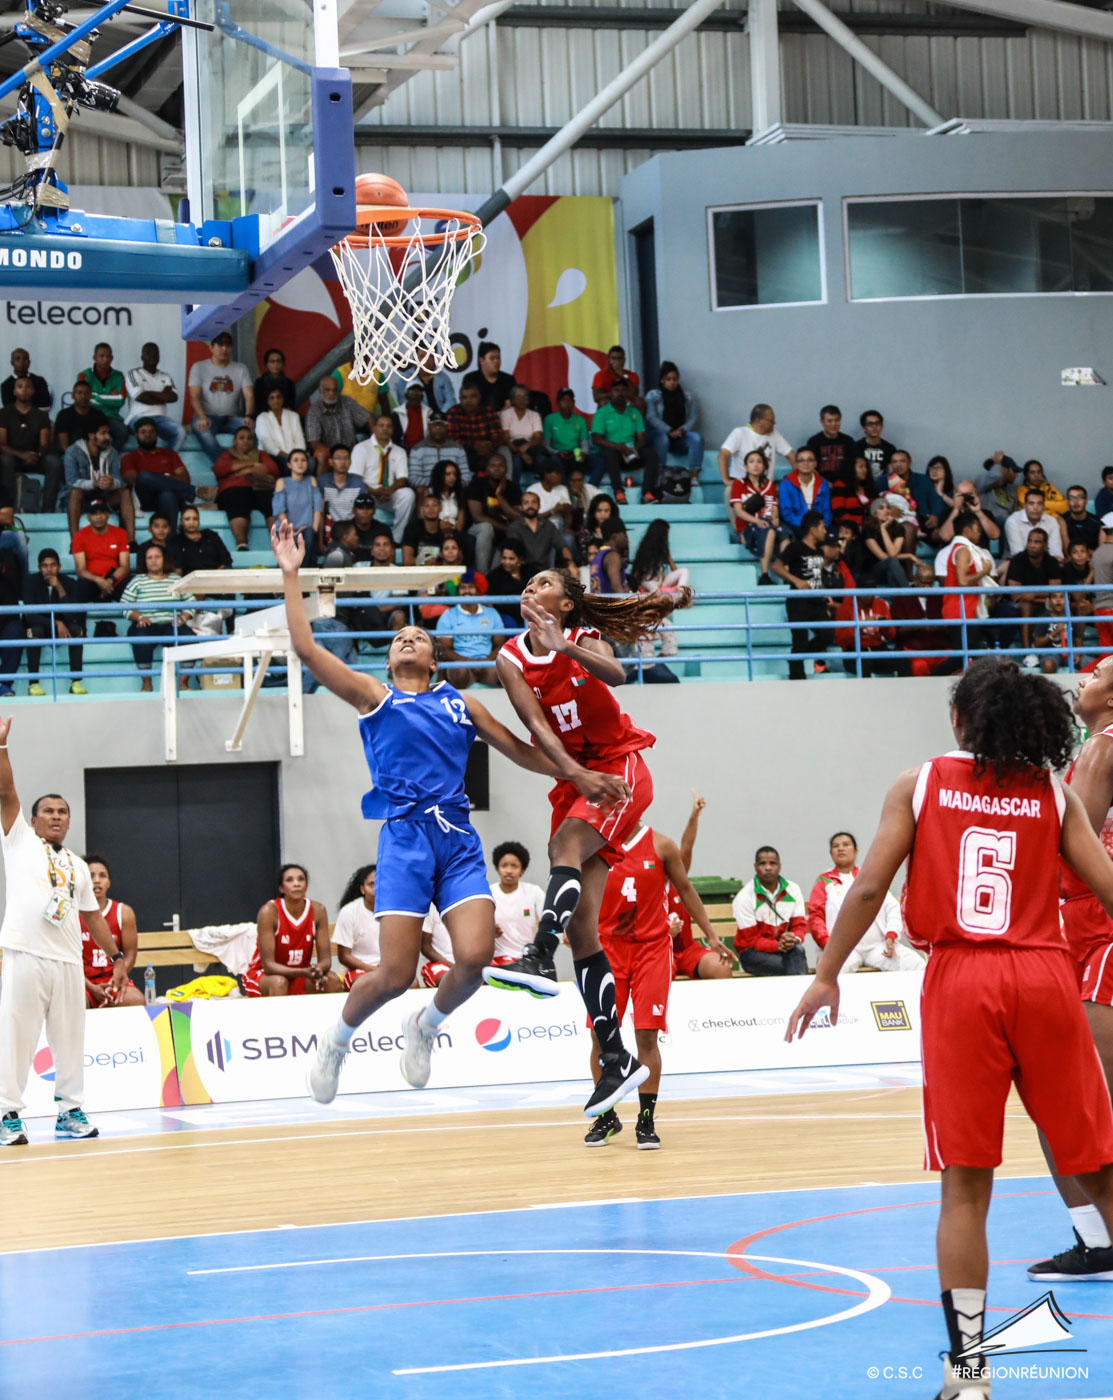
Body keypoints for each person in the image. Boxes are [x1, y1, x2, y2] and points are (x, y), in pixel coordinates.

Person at [786, 657, 1113, 1400]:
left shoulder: (921, 783)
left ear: (961, 719)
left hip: (961, 980)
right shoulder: (1052, 791)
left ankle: (969, 1375)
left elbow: (868, 888)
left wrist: (827, 973)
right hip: (1044, 975)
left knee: (965, 1187)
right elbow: (1107, 887)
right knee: (1100, 1166)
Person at [268, 526, 602, 1106]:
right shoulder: (375, 698)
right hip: (403, 840)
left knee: (473, 959)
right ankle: (336, 1041)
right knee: (395, 975)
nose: (408, 638)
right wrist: (291, 574)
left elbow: (521, 751)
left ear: (434, 656)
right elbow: (307, 649)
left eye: (418, 635)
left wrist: (579, 774)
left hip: (457, 838)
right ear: (388, 658)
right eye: (399, 636)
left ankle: (425, 1026)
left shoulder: (460, 702)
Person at [482, 568, 690, 1114]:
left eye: (543, 583)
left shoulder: (581, 639)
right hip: (577, 778)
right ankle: (616, 1058)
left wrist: (565, 648)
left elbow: (617, 675)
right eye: (528, 584)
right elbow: (537, 728)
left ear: (567, 604)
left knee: (563, 850)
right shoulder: (510, 657)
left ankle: (538, 955)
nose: (531, 588)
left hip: (619, 768)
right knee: (583, 929)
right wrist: (576, 775)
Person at [0, 737, 128, 1146]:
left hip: (69, 962)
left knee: (71, 1041)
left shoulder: (77, 865)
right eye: (48, 811)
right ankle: (6, 1114)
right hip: (25, 954)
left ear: (69, 822)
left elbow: (92, 916)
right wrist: (2, 747)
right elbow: (6, 791)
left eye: (62, 812)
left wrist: (117, 957)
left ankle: (69, 1112)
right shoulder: (18, 841)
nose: (56, 817)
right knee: (17, 1038)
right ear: (33, 819)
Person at [1031, 656, 1113, 1280]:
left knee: (1074, 1098)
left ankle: (1100, 1240)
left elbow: (1067, 845)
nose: (1085, 679)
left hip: (1097, 928)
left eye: (1100, 673)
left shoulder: (1104, 745)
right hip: (1084, 927)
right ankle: (1096, 1239)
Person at [585, 820, 720, 1150]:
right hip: (608, 949)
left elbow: (685, 889)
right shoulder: (595, 843)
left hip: (652, 950)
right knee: (599, 1035)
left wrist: (712, 934)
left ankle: (646, 1120)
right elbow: (582, 889)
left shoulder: (661, 845)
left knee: (646, 1036)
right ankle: (606, 1116)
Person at [807, 832, 923, 971]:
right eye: (835, 846)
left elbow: (892, 907)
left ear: (855, 851)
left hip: (877, 946)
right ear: (831, 853)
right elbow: (815, 916)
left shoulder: (869, 876)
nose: (840, 848)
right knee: (832, 971)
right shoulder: (824, 881)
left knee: (915, 963)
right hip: (841, 949)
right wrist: (826, 943)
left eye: (846, 844)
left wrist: (891, 934)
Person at [243, 864, 341, 997]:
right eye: (290, 880)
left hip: (300, 974)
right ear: (281, 888)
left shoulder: (318, 910)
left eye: (301, 879)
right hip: (265, 976)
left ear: (306, 885)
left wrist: (318, 970)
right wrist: (304, 972)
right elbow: (268, 966)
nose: (296, 884)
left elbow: (326, 961)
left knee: (332, 980)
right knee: (279, 983)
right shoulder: (269, 911)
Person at [668, 791, 733, 981]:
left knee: (720, 968)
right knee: (658, 975)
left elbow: (686, 847)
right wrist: (665, 933)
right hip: (657, 950)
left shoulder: (676, 882)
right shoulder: (641, 888)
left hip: (687, 951)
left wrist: (694, 815)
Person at [121, 544, 195, 691]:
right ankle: (146, 684)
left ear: (164, 559)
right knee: (141, 640)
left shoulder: (175, 579)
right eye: (149, 558)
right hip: (146, 624)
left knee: (190, 639)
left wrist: (183, 618)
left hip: (172, 624)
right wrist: (139, 617)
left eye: (157, 557)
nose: (153, 560)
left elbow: (191, 601)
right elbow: (124, 605)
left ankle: (183, 682)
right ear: (145, 561)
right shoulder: (138, 580)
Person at [121, 418, 215, 530]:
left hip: (170, 499)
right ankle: (193, 491)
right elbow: (132, 479)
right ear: (136, 435)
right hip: (146, 500)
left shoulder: (169, 454)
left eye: (152, 431)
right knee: (144, 476)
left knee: (167, 494)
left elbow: (185, 478)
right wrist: (165, 477)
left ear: (156, 434)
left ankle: (171, 538)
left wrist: (159, 481)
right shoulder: (129, 457)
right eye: (143, 432)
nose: (148, 435)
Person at [771, 510, 830, 680]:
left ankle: (796, 659)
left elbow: (817, 575)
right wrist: (796, 581)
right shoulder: (795, 547)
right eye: (823, 527)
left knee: (827, 635)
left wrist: (824, 591)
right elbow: (776, 566)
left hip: (817, 601)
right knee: (800, 641)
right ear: (813, 529)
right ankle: (797, 675)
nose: (825, 531)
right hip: (799, 602)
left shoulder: (819, 551)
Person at [79, 856, 143, 1008]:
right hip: (84, 982)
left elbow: (130, 955)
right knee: (77, 1003)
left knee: (137, 1000)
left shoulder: (123, 912)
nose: (96, 880)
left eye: (102, 876)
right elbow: (69, 959)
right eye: (91, 876)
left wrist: (114, 982)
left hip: (114, 980)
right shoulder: (73, 914)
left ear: (109, 882)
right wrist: (90, 987)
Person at [732, 847, 808, 975]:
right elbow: (751, 940)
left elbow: (799, 925)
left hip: (783, 949)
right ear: (755, 867)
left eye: (773, 863)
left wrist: (793, 939)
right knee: (790, 966)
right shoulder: (744, 896)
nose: (768, 868)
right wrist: (777, 946)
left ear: (779, 866)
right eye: (762, 864)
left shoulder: (793, 889)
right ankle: (803, 987)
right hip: (752, 953)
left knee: (798, 951)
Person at [24, 548, 87, 697]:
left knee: (77, 630)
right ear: (39, 568)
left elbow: (73, 616)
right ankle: (33, 684)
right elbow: (30, 616)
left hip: (63, 628)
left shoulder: (68, 582)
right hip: (42, 626)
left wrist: (60, 589)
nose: (49, 569)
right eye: (45, 566)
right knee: (34, 631)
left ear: (59, 567)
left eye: (53, 565)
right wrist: (56, 623)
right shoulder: (30, 582)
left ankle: (76, 682)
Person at [187, 332, 255, 462]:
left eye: (228, 345)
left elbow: (249, 395)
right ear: (211, 348)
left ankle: (249, 466)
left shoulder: (241, 368)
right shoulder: (199, 367)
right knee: (204, 432)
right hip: (207, 417)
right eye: (220, 345)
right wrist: (201, 416)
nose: (224, 348)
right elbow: (194, 396)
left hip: (231, 418)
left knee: (251, 431)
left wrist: (248, 416)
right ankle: (225, 465)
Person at [589, 380, 658, 503]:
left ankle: (647, 493)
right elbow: (596, 438)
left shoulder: (635, 413)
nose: (620, 393)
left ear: (627, 393)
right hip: (612, 455)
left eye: (623, 390)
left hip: (630, 453)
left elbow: (641, 437)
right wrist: (619, 447)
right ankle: (618, 492)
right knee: (610, 452)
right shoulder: (602, 413)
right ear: (610, 393)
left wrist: (634, 449)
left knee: (651, 453)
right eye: (616, 390)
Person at [350, 412, 415, 543]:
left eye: (388, 426)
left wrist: (388, 491)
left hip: (388, 494)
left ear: (392, 429)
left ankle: (396, 540)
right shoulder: (361, 448)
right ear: (374, 428)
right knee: (353, 489)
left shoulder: (399, 451)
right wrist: (374, 491)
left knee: (408, 494)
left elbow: (402, 479)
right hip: (367, 493)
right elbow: (355, 477)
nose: (385, 429)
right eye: (381, 425)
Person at [0, 375, 61, 512]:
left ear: (33, 391)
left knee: (54, 462)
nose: (24, 390)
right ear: (14, 391)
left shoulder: (41, 415)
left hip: (35, 458)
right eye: (20, 386)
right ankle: (8, 508)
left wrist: (36, 454)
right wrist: (22, 455)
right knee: (5, 460)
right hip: (13, 457)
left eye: (28, 387)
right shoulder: (4, 413)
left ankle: (48, 510)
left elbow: (45, 444)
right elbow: (2, 444)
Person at [64, 422, 134, 540]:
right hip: (82, 500)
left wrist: (111, 483)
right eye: (103, 433)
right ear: (91, 435)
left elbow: (119, 481)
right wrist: (94, 483)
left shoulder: (112, 452)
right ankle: (75, 542)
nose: (107, 437)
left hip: (104, 497)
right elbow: (71, 482)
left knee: (125, 493)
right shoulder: (73, 451)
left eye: (108, 433)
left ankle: (131, 541)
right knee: (75, 492)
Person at [213, 426, 279, 549]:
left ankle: (278, 543)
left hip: (260, 489)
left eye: (249, 438)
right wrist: (252, 464)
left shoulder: (261, 454)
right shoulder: (227, 454)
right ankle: (241, 543)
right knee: (237, 498)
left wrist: (243, 470)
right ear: (234, 441)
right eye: (241, 438)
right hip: (235, 490)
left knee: (272, 501)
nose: (245, 441)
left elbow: (272, 469)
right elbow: (220, 470)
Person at [731, 449, 790, 582]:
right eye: (751, 462)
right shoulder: (738, 484)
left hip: (766, 523)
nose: (755, 465)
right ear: (746, 466)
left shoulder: (769, 485)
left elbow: (772, 507)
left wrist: (775, 518)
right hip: (746, 529)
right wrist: (756, 521)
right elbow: (738, 511)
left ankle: (786, 574)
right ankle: (764, 575)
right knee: (769, 530)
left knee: (785, 533)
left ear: (764, 466)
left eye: (759, 462)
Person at [1000, 526, 1061, 653]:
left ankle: (1063, 653)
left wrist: (1032, 594)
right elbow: (1015, 596)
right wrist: (1042, 597)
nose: (1032, 545)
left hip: (1044, 603)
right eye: (1030, 541)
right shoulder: (1017, 560)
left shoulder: (1052, 562)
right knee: (1026, 605)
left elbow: (1055, 593)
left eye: (1037, 542)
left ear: (1045, 545)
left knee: (1060, 604)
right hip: (1017, 604)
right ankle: (1027, 653)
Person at [435, 573, 503, 687]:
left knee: (501, 670)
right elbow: (445, 650)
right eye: (462, 587)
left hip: (486, 661)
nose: (467, 591)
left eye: (471, 587)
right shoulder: (448, 615)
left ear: (478, 589)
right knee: (458, 671)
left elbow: (500, 645)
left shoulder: (491, 613)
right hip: (461, 663)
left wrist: (486, 661)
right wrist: (467, 661)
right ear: (458, 591)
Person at [643, 361, 703, 481]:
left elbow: (693, 417)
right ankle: (660, 475)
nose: (672, 382)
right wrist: (669, 430)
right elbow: (651, 418)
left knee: (696, 439)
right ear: (662, 380)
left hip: (679, 435)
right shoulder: (653, 395)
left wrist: (683, 429)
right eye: (668, 379)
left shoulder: (687, 396)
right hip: (658, 436)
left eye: (675, 379)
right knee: (662, 438)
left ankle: (693, 477)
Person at [488, 841, 544, 965]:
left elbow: (548, 922)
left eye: (514, 866)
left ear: (522, 870)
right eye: (504, 866)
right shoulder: (489, 893)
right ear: (497, 868)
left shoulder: (534, 892)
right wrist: (489, 931)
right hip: (497, 958)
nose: (509, 871)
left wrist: (562, 935)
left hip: (528, 957)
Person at [466, 452, 522, 575]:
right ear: (487, 469)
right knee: (486, 528)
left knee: (516, 532)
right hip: (477, 530)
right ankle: (482, 574)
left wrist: (499, 496)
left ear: (506, 469)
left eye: (500, 465)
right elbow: (477, 517)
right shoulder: (477, 485)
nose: (497, 468)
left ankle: (493, 577)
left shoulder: (513, 487)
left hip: (503, 534)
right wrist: (504, 528)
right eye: (493, 465)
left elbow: (516, 516)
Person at [124, 342, 185, 451]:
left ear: (159, 356)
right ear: (142, 357)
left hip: (161, 418)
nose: (152, 355)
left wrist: (148, 393)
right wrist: (163, 395)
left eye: (155, 353)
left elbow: (173, 398)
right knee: (147, 433)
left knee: (180, 433)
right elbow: (140, 397)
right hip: (139, 417)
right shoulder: (133, 373)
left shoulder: (166, 376)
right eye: (148, 353)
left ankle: (168, 461)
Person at [304, 375, 370, 472]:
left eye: (334, 390)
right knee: (321, 455)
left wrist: (374, 441)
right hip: (329, 453)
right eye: (327, 390)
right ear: (320, 391)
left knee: (367, 449)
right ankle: (324, 481)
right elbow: (314, 442)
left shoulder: (347, 401)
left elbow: (369, 419)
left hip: (351, 450)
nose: (331, 393)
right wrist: (337, 455)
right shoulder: (314, 410)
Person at [71, 498, 130, 604]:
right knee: (79, 588)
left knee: (132, 585)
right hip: (92, 582)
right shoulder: (79, 536)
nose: (98, 517)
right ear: (88, 517)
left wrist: (110, 580)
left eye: (101, 513)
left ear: (107, 515)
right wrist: (99, 580)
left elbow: (125, 567)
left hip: (114, 580)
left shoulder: (120, 533)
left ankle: (136, 616)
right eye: (94, 514)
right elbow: (80, 570)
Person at [332, 865, 381, 990]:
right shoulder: (349, 911)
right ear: (362, 889)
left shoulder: (393, 912)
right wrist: (371, 969)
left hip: (386, 969)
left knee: (411, 983)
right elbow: (344, 956)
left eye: (380, 882)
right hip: (358, 970)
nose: (376, 888)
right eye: (371, 884)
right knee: (368, 984)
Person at [271, 448, 322, 565]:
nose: (300, 463)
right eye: (296, 460)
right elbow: (279, 510)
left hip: (306, 530)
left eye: (303, 460)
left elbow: (317, 507)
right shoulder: (282, 482)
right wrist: (291, 531)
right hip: (285, 530)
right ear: (289, 464)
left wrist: (314, 529)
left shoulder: (311, 480)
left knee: (308, 537)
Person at [446, 384, 506, 477]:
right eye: (464, 397)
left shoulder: (488, 410)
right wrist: (474, 446)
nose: (469, 401)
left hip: (488, 452)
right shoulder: (453, 412)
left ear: (479, 398)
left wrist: (488, 447)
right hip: (465, 453)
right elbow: (453, 439)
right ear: (460, 399)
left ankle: (505, 484)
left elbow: (497, 435)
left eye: (472, 397)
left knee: (504, 451)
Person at [507, 491, 574, 573]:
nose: (530, 506)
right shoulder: (515, 527)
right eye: (526, 503)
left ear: (539, 506)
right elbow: (512, 554)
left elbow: (563, 547)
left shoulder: (548, 525)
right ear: (521, 507)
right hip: (522, 571)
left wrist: (571, 563)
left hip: (544, 571)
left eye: (534, 502)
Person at [77, 343, 129, 449]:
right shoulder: (84, 375)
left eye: (108, 356)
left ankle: (110, 456)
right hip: (90, 416)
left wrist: (95, 396)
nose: (105, 359)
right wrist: (110, 397)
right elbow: (85, 398)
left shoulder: (119, 375)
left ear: (112, 358)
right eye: (101, 356)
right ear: (94, 357)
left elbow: (121, 400)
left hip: (111, 417)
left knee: (123, 431)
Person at [408, 411, 470, 494]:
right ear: (428, 427)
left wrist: (451, 483)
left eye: (441, 425)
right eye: (434, 425)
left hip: (453, 489)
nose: (438, 428)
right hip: (429, 490)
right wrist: (439, 482)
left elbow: (466, 477)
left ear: (447, 427)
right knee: (420, 490)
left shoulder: (458, 448)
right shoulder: (417, 449)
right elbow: (413, 479)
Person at [860, 497, 915, 590]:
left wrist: (883, 529)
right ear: (874, 514)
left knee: (892, 568)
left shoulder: (899, 528)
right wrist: (908, 555)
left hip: (893, 569)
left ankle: (898, 598)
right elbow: (883, 557)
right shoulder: (868, 529)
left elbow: (892, 553)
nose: (886, 510)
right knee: (892, 562)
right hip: (874, 571)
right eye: (881, 508)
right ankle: (908, 593)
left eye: (888, 507)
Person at [777, 446, 831, 533]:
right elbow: (787, 513)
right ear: (796, 464)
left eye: (810, 460)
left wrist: (823, 526)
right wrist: (807, 526)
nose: (806, 463)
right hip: (796, 526)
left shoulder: (823, 483)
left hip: (818, 527)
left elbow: (827, 511)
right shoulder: (786, 483)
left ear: (815, 463)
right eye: (801, 460)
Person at [1004, 488, 1067, 561]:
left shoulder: (1052, 521)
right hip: (1018, 562)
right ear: (1025, 506)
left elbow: (1056, 550)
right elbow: (1018, 553)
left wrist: (1056, 560)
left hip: (1045, 562)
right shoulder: (1013, 521)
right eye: (1031, 503)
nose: (1035, 508)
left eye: (1039, 504)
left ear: (1044, 506)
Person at [500, 384, 548, 480]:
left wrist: (526, 446)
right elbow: (506, 438)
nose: (522, 400)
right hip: (513, 447)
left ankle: (540, 486)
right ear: (512, 400)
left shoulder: (534, 415)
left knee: (541, 460)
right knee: (517, 461)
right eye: (519, 397)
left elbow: (538, 437)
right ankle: (514, 487)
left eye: (525, 397)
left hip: (530, 446)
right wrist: (522, 454)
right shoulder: (505, 414)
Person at [254, 385, 306, 473]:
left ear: (283, 399)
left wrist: (296, 457)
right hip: (273, 456)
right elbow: (267, 444)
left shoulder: (294, 416)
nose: (276, 400)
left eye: (279, 397)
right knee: (286, 464)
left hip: (295, 456)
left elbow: (299, 439)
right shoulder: (262, 418)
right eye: (272, 398)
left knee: (311, 463)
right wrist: (288, 457)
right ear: (267, 401)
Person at [170, 504, 234, 575]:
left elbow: (226, 560)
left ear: (199, 520)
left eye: (195, 519)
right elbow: (178, 570)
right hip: (191, 580)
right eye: (187, 519)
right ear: (181, 521)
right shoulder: (177, 542)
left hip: (217, 577)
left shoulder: (211, 535)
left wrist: (213, 575)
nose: (192, 522)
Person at [806, 404, 857, 489]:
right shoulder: (814, 442)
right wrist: (825, 483)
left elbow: (852, 467)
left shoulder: (848, 441)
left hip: (846, 486)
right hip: (822, 486)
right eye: (829, 421)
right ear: (822, 422)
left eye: (837, 420)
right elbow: (810, 468)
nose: (833, 424)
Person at [485, 541, 532, 627]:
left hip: (530, 613)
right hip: (506, 617)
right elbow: (489, 601)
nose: (507, 562)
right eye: (504, 558)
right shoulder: (494, 576)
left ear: (520, 559)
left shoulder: (531, 572)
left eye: (511, 559)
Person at [53, 379, 107, 453]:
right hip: (70, 454)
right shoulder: (63, 415)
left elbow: (103, 442)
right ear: (73, 395)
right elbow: (64, 445)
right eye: (79, 393)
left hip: (94, 453)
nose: (83, 396)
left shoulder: (99, 415)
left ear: (91, 396)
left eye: (87, 393)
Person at [462, 341, 516, 411]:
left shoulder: (509, 380)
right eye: (492, 358)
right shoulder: (470, 379)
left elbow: (511, 406)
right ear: (481, 360)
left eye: (498, 358)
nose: (496, 361)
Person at [544, 387, 590, 468]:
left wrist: (583, 453)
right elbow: (546, 445)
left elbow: (585, 445)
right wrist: (557, 452)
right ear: (558, 403)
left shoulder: (581, 420)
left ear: (574, 402)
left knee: (597, 462)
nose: (567, 403)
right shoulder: (549, 419)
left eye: (570, 400)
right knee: (555, 462)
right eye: (564, 400)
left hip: (575, 454)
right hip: (557, 454)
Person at [973, 451, 1020, 528]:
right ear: (1004, 469)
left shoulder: (1013, 488)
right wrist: (997, 464)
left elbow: (1015, 512)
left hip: (1007, 525)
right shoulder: (983, 481)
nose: (1016, 475)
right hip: (988, 523)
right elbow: (995, 477)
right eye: (1014, 471)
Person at [854, 409, 894, 480]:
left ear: (881, 426)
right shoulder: (856, 447)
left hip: (883, 484)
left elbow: (891, 473)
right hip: (863, 484)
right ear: (864, 428)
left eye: (877, 423)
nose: (874, 427)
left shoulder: (889, 448)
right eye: (870, 424)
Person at [254, 347, 296, 412]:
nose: (275, 364)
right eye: (272, 361)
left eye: (278, 361)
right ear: (266, 364)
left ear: (283, 364)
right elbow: (258, 406)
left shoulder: (289, 383)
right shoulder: (260, 383)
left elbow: (291, 405)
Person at [1064, 484, 1101, 552]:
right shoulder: (1062, 521)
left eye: (1080, 497)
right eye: (1071, 498)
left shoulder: (1097, 522)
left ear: (1086, 501)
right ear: (1067, 502)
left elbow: (1102, 549)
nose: (1075, 501)